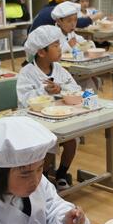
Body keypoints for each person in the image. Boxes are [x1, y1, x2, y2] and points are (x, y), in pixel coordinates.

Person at [17, 25, 81, 190]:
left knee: (71, 141)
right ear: (41, 52)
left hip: (59, 117)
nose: (60, 49)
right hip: (35, 121)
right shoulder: (27, 72)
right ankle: (42, 178)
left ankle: (61, 174)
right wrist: (43, 90)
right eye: (55, 46)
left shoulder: (58, 68)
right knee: (47, 146)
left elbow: (75, 88)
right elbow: (24, 99)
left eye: (59, 44)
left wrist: (60, 89)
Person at [51, 1, 97, 91]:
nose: (73, 24)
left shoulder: (70, 33)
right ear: (59, 21)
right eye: (69, 21)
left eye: (75, 20)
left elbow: (80, 40)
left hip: (73, 69)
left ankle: (89, 98)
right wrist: (68, 45)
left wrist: (87, 43)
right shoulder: (53, 34)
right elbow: (53, 53)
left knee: (89, 82)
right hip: (59, 73)